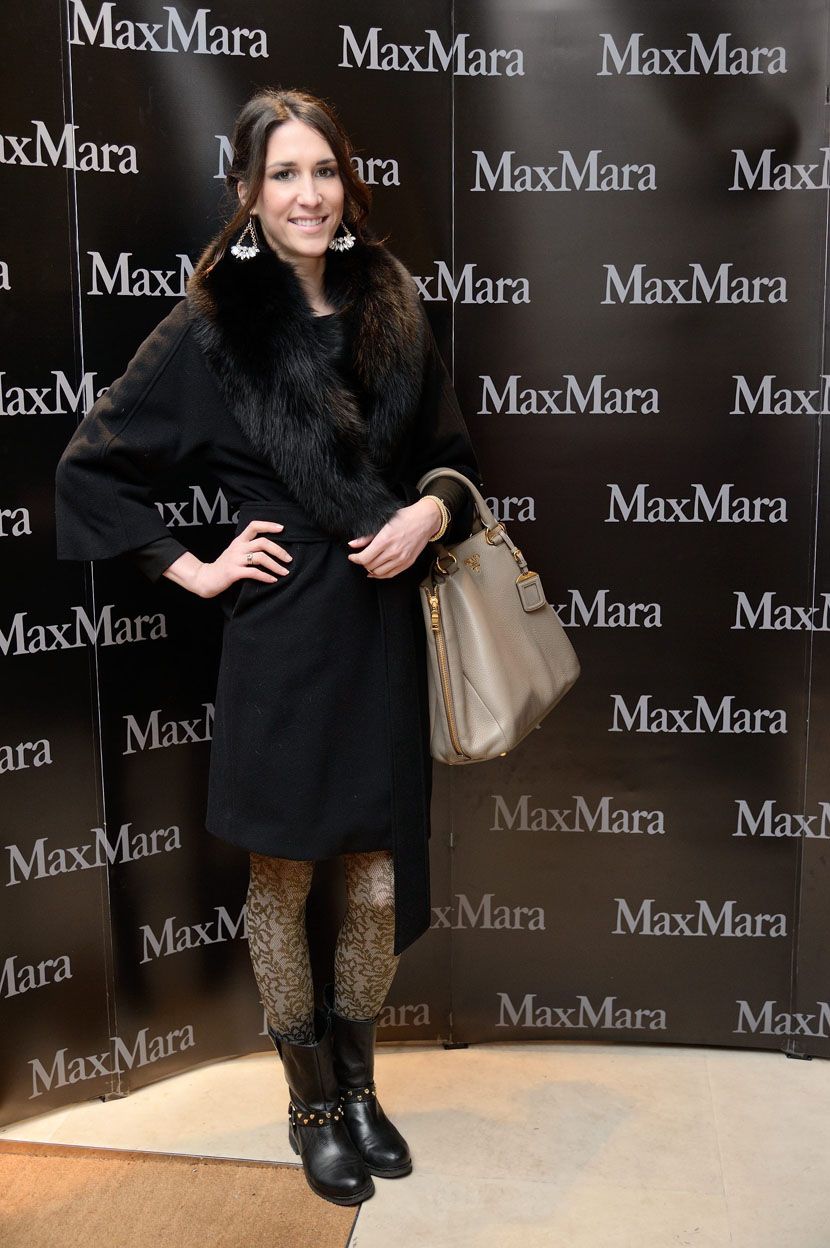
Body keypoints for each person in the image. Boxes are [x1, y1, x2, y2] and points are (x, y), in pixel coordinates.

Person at [54, 86, 483, 1208]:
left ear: (348, 183)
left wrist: (427, 513)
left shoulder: (393, 304)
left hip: (383, 630)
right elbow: (91, 466)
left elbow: (452, 456)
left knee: (378, 886)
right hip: (284, 641)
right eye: (284, 174)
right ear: (247, 192)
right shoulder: (213, 327)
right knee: (284, 881)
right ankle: (310, 1105)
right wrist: (192, 566)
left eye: (323, 170)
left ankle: (358, 1084)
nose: (308, 193)